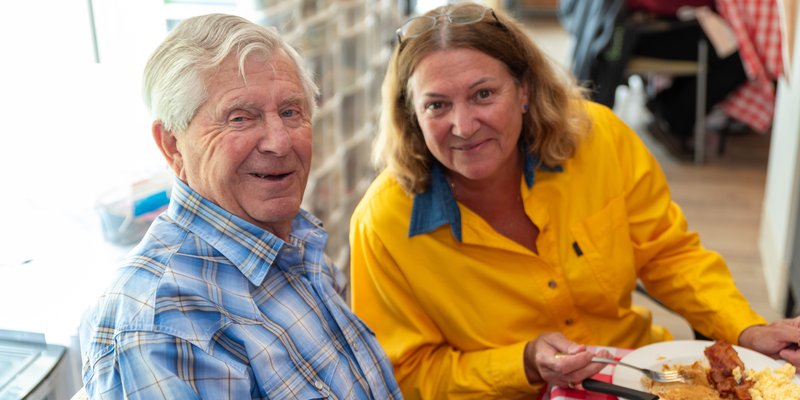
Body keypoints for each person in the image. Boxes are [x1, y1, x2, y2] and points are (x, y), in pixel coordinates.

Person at [348, 2, 800, 399]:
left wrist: (744, 329)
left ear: (524, 90)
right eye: (437, 105)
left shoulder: (598, 138)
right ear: (411, 114)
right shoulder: (381, 224)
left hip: (640, 375)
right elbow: (407, 376)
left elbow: (668, 254)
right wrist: (522, 363)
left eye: (483, 94)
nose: (464, 126)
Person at [79, 14, 401, 399]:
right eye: (240, 118)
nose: (279, 142)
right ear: (172, 144)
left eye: (290, 111)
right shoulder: (162, 324)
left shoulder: (296, 241)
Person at [559, 0, 748, 160]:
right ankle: (673, 121)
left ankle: (667, 110)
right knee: (737, 58)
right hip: (627, 29)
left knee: (727, 46)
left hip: (611, 22)